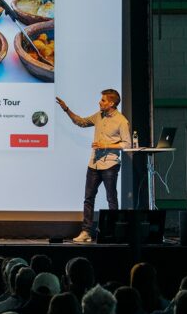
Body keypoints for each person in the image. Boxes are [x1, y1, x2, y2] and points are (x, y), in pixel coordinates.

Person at [55, 89, 132, 243]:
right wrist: (66, 109)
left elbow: (127, 144)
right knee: (88, 199)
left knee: (112, 199)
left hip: (110, 164)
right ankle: (86, 232)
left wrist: (106, 144)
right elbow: (81, 122)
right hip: (94, 164)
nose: (99, 102)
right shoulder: (99, 116)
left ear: (111, 103)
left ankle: (112, 232)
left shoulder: (122, 121)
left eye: (103, 100)